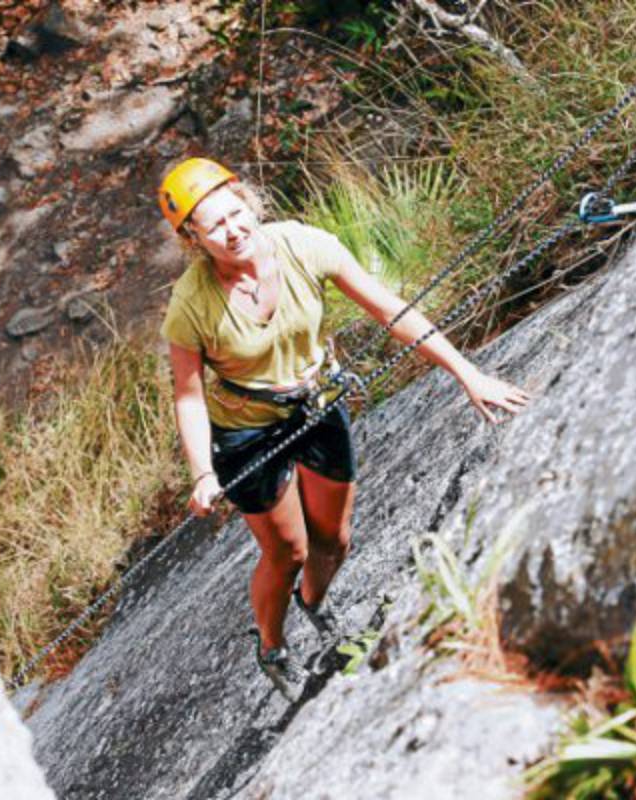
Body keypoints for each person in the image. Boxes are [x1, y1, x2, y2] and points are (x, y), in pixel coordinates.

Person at [157, 157, 529, 700]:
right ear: (192, 237)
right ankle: (272, 646)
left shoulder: (304, 245)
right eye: (214, 225)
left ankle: (313, 602)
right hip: (248, 433)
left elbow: (390, 310)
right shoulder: (191, 304)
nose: (233, 230)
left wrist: (467, 374)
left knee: (333, 541)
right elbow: (188, 395)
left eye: (236, 213)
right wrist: (201, 473)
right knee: (288, 552)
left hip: (317, 404)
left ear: (250, 202)